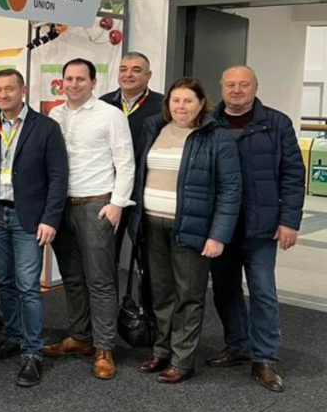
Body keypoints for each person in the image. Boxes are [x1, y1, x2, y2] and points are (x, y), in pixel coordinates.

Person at [130, 77, 241, 384]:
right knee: (161, 293)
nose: (181, 107)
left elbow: (231, 189)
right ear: (168, 103)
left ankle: (182, 360)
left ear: (201, 103)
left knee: (188, 296)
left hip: (192, 227)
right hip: (152, 224)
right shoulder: (155, 129)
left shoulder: (216, 136)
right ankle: (161, 351)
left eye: (188, 101)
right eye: (176, 100)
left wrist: (218, 235)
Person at [0, 68, 69, 387]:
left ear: (22, 91)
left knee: (28, 286)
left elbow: (58, 177)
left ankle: (33, 352)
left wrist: (50, 219)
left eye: (9, 89)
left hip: (29, 218)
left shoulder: (46, 127)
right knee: (4, 282)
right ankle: (13, 336)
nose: (2, 95)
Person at [209, 66, 304, 392]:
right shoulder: (209, 122)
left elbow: (293, 175)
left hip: (261, 225)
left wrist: (289, 221)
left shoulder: (277, 124)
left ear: (255, 87)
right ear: (221, 87)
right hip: (220, 226)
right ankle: (237, 345)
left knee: (263, 291)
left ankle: (264, 358)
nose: (236, 90)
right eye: (230, 84)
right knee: (224, 289)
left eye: (243, 84)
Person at [44, 58, 134, 379]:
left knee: (100, 280)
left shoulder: (110, 115)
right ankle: (80, 337)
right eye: (68, 78)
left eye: (81, 79)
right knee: (71, 277)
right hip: (61, 206)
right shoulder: (55, 115)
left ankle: (104, 347)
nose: (73, 84)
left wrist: (117, 204)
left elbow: (126, 162)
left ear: (94, 82)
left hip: (97, 204)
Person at [99, 52, 165, 261]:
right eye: (123, 69)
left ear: (149, 75)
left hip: (146, 187)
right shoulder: (103, 103)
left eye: (136, 70)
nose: (128, 75)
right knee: (106, 253)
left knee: (149, 255)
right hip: (109, 187)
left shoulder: (163, 106)